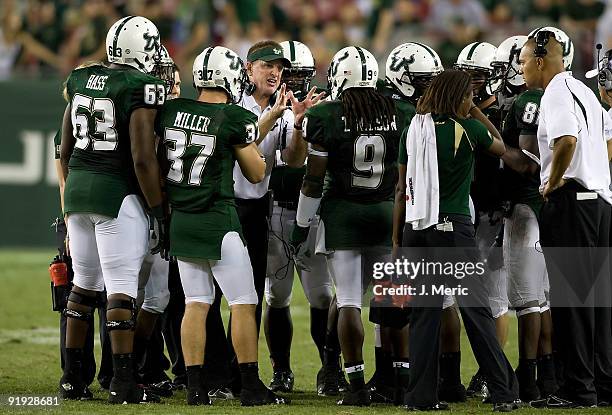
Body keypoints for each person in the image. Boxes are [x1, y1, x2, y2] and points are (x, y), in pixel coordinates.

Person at [155, 45, 288, 406]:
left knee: (196, 302)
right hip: (218, 219)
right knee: (244, 301)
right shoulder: (232, 117)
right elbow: (256, 171)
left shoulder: (170, 110)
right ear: (232, 77)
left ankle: (196, 386)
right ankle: (249, 385)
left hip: (182, 220)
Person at [58, 16, 167, 404]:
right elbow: (141, 158)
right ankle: (123, 383)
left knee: (83, 287)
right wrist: (158, 209)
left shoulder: (81, 78)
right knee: (121, 291)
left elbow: (66, 149)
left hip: (78, 192)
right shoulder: (140, 85)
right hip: (115, 193)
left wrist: (69, 193)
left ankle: (72, 379)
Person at [400, 69, 519, 412]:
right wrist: (478, 112)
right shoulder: (468, 128)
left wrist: (398, 239)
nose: (471, 100)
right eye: (468, 95)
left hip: (415, 230)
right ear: (459, 97)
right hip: (453, 230)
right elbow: (504, 151)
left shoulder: (413, 128)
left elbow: (400, 187)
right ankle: (503, 392)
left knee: (423, 315)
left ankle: (420, 397)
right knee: (477, 311)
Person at [290, 45, 398, 406]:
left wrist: (302, 225)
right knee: (391, 299)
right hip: (387, 213)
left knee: (349, 299)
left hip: (344, 216)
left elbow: (312, 179)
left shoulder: (327, 116)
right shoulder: (402, 111)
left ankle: (354, 385)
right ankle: (399, 376)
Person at [519, 31, 612, 409]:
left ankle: (578, 390)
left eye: (524, 60)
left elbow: (567, 140)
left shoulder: (556, 92)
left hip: (573, 202)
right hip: (601, 203)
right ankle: (603, 385)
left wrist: (552, 182)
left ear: (542, 60)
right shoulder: (583, 89)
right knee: (598, 303)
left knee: (572, 303)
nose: (521, 67)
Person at [369, 41, 443, 405]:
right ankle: (408, 375)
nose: (428, 87)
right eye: (422, 80)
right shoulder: (417, 116)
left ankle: (391, 376)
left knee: (393, 304)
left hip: (396, 209)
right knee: (414, 303)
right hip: (413, 211)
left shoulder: (387, 108)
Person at [491, 34, 558, 403]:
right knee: (543, 300)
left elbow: (528, 163)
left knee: (527, 301)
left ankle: (528, 377)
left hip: (526, 207)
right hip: (548, 208)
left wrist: (486, 129)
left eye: (515, 64)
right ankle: (547, 375)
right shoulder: (557, 96)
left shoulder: (530, 100)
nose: (510, 73)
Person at [264, 39, 332, 393]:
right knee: (277, 296)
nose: (294, 81)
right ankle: (281, 370)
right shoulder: (262, 107)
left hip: (315, 213)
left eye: (300, 74)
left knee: (322, 297)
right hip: (275, 210)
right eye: (288, 74)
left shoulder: (324, 105)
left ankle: (329, 369)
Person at [454, 41, 509, 398]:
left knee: (495, 298)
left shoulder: (503, 113)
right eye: (467, 75)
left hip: (496, 213)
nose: (472, 82)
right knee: (465, 298)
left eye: (479, 76)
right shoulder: (463, 116)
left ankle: (493, 373)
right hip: (468, 213)